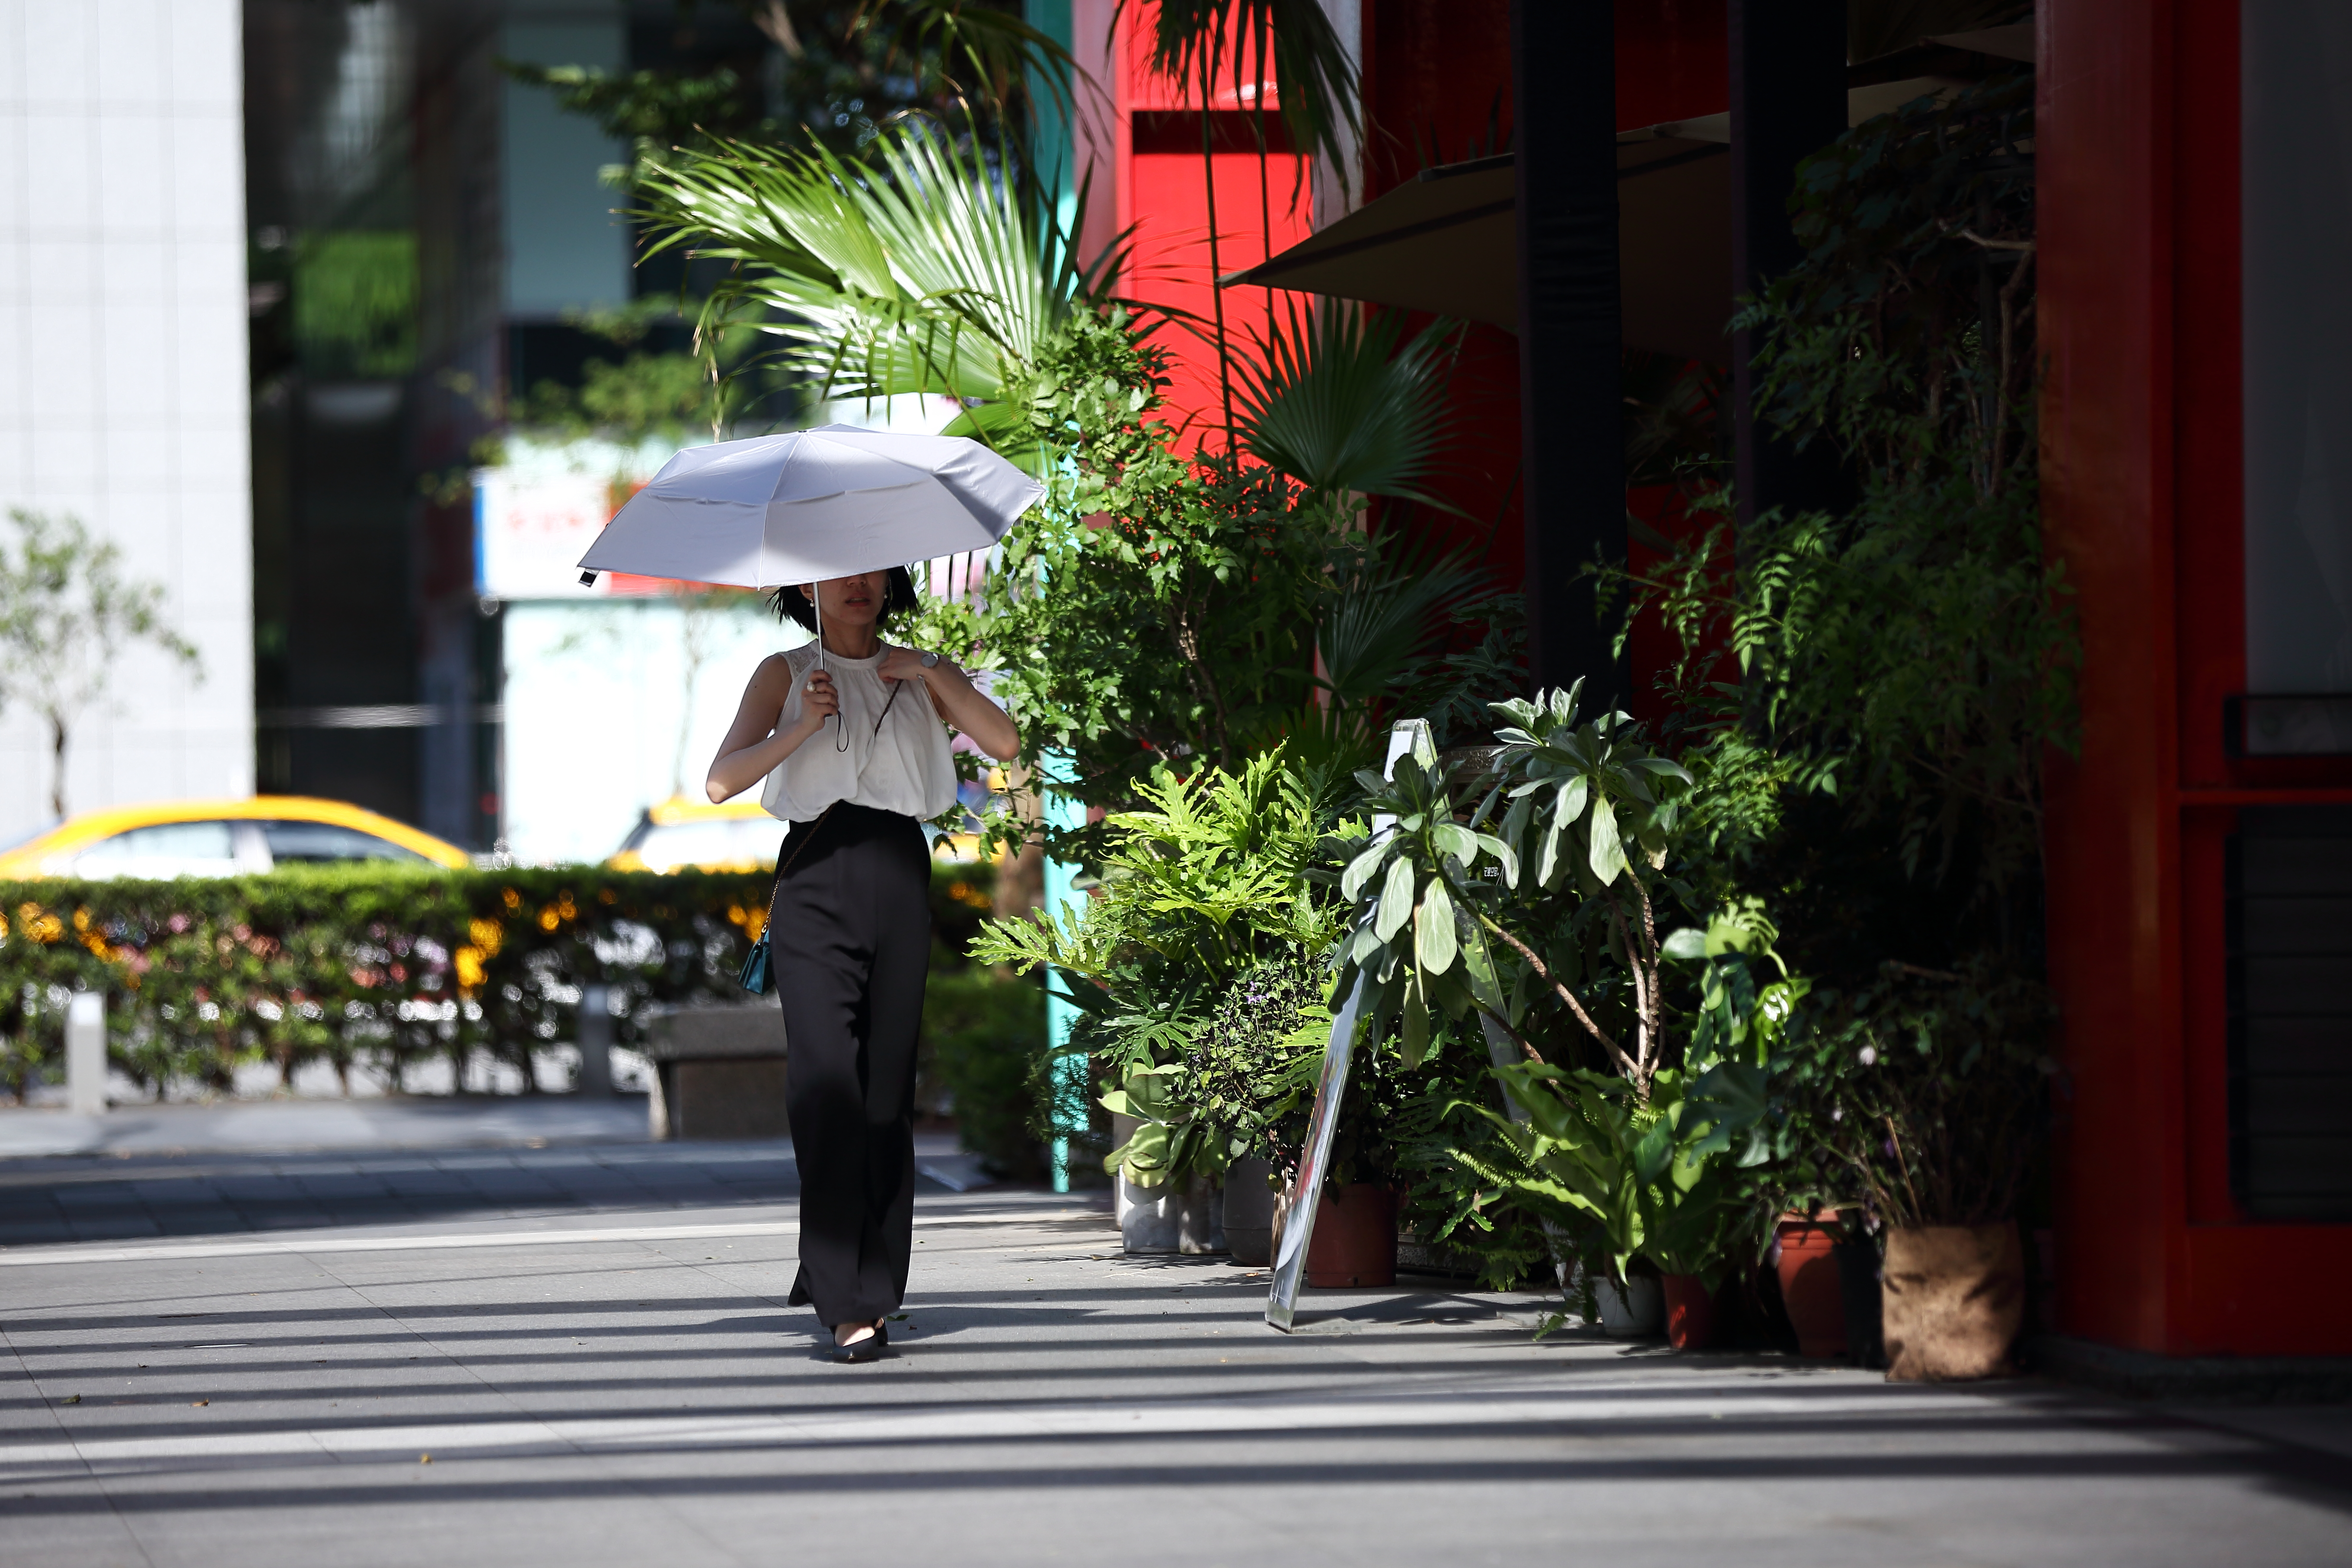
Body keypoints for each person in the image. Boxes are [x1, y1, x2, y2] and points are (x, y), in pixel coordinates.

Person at [705, 566, 1018, 1362]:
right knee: (824, 1085)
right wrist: (801, 725)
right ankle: (848, 1298)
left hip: (898, 873)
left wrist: (933, 671)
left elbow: (1005, 743)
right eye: (837, 574)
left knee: (883, 1094)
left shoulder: (919, 669)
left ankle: (860, 1273)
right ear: (804, 589)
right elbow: (719, 782)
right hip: (815, 877)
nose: (857, 584)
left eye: (871, 570)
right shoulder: (783, 672)